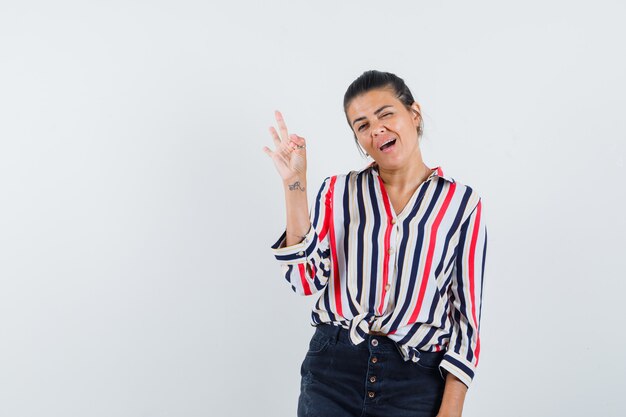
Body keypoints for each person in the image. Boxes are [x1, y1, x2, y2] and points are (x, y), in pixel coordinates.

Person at [263, 70, 487, 417]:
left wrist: (451, 409)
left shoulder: (461, 203)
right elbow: (304, 280)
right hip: (332, 374)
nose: (377, 129)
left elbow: (465, 321)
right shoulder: (338, 192)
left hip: (414, 382)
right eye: (362, 125)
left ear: (414, 114)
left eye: (386, 114)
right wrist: (296, 185)